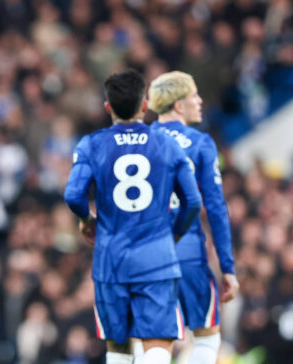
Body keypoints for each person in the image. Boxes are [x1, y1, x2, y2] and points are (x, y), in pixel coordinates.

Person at [63, 70, 202, 364]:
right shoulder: (167, 143)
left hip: (111, 258)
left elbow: (73, 195)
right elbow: (192, 201)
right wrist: (174, 234)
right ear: (144, 106)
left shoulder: (91, 144)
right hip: (157, 257)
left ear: (107, 108)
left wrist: (87, 220)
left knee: (119, 347)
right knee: (157, 343)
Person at [146, 71, 239, 364]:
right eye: (194, 96)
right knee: (208, 337)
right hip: (186, 252)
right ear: (177, 105)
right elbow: (216, 209)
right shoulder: (200, 143)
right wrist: (227, 267)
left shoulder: (134, 142)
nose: (199, 101)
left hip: (142, 255)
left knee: (154, 343)